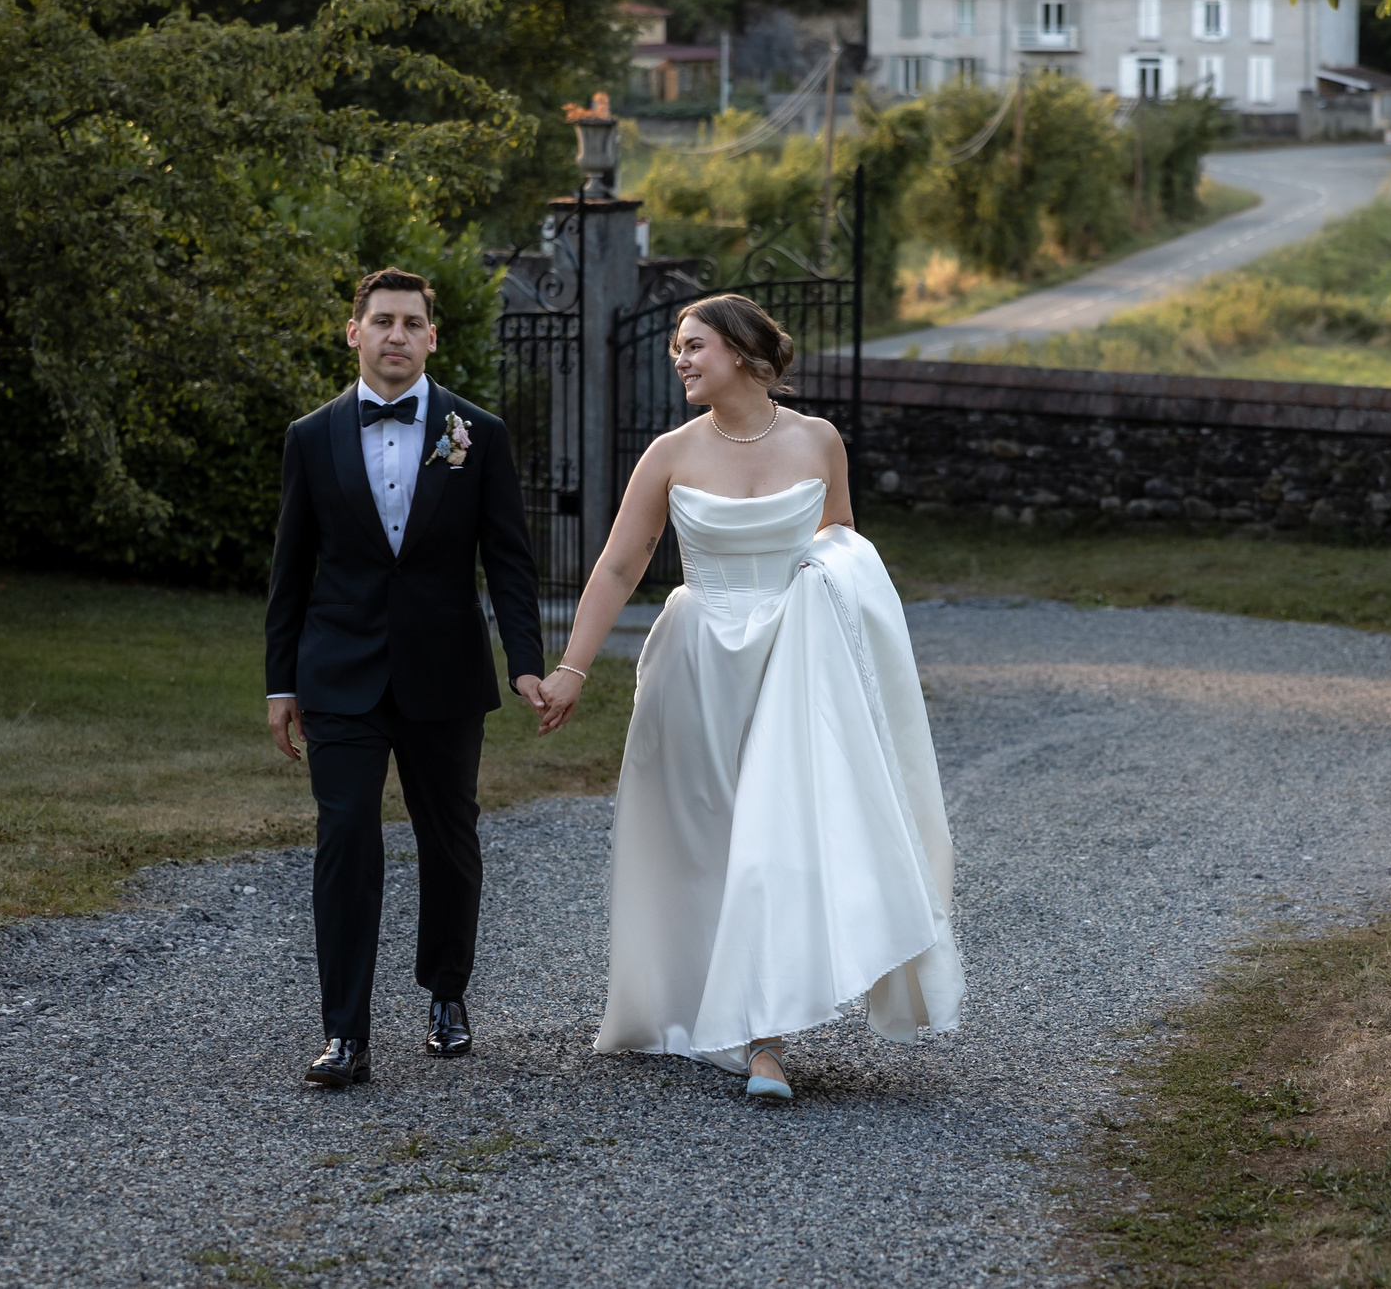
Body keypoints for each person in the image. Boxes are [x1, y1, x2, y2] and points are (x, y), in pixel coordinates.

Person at [532, 293, 962, 1103]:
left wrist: (825, 592)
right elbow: (619, 564)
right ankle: (697, 1008)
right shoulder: (669, 453)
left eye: (694, 345)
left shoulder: (819, 439)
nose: (681, 359)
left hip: (794, 662)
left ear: (738, 350)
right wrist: (573, 669)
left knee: (773, 843)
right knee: (705, 842)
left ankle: (761, 1036)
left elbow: (842, 542)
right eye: (678, 347)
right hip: (697, 663)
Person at [264, 267, 546, 1088]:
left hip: (444, 669)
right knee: (346, 837)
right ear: (354, 331)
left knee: (449, 837)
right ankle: (344, 1032)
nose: (396, 334)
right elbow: (291, 570)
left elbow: (509, 559)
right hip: (339, 671)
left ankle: (447, 993)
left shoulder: (477, 432)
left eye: (411, 322)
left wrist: (526, 661)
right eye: (382, 320)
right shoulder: (310, 436)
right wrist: (281, 683)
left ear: (432, 337)